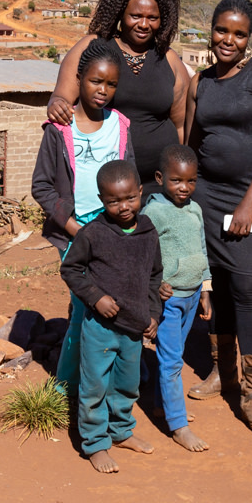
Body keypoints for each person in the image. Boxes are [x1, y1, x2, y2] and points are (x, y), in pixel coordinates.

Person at [184, 0, 252, 432]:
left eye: (239, 33)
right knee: (221, 286)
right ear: (210, 30)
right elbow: (190, 142)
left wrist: (247, 203)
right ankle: (222, 371)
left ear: (250, 38)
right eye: (222, 30)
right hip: (208, 197)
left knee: (247, 287)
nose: (229, 40)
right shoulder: (200, 82)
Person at [31, 38, 133, 393]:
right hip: (73, 231)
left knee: (97, 309)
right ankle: (66, 389)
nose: (102, 90)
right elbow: (42, 187)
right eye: (95, 81)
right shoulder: (59, 129)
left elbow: (130, 180)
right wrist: (73, 226)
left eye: (111, 84)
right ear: (79, 79)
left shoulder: (120, 127)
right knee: (87, 303)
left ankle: (96, 382)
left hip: (111, 231)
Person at [47, 0, 192, 197]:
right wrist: (56, 104)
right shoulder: (93, 48)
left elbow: (181, 125)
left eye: (152, 18)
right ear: (120, 15)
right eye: (135, 15)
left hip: (160, 187)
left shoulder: (170, 60)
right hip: (108, 187)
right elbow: (61, 97)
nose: (144, 24)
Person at [61, 160, 163, 474]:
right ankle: (95, 443)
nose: (123, 207)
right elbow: (70, 269)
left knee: (127, 384)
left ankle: (120, 432)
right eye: (113, 201)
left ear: (141, 192)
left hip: (133, 328)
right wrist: (96, 297)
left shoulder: (147, 232)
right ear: (102, 200)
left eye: (130, 198)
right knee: (94, 386)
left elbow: (154, 276)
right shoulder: (93, 234)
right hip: (100, 327)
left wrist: (153, 314)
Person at [141, 144, 212, 452]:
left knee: (174, 354)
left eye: (191, 181)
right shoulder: (154, 212)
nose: (185, 188)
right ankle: (178, 426)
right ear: (160, 178)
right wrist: (155, 283)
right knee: (172, 362)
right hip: (168, 301)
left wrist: (206, 288)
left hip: (192, 294)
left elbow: (202, 250)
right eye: (177, 181)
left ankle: (163, 406)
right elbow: (141, 254)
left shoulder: (195, 209)